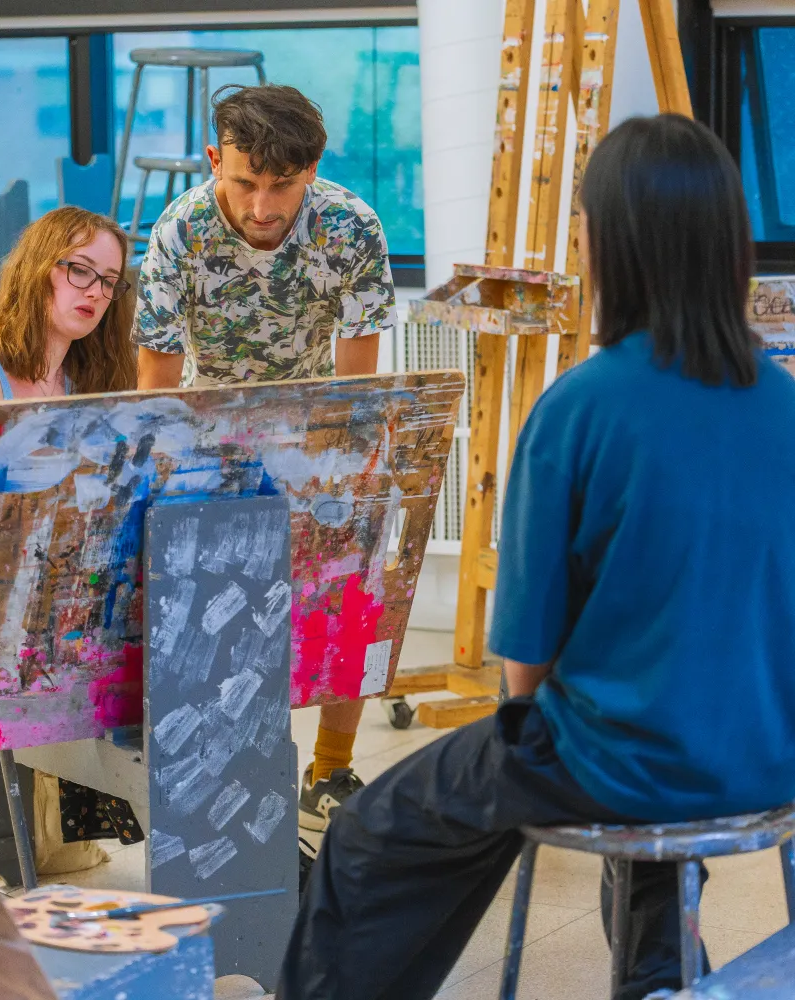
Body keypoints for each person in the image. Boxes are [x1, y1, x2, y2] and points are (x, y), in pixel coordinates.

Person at [277, 113, 795, 1000]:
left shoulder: (581, 408)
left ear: (613, 247)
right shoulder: (783, 400)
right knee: (629, 797)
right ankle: (663, 975)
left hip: (621, 761)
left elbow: (523, 665)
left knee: (369, 834)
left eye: (584, 227)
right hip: (768, 758)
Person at [133, 83, 397, 871]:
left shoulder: (351, 227)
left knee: (352, 584)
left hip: (318, 421)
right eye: (244, 181)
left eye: (281, 185)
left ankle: (331, 769)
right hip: (210, 427)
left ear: (311, 169)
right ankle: (225, 765)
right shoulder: (179, 230)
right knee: (223, 611)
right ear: (216, 159)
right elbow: (156, 382)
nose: (259, 204)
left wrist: (332, 468)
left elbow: (354, 386)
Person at [0, 205, 143, 865]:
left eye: (109, 281)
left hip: (55, 565)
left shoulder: (82, 376)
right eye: (79, 271)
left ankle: (151, 802)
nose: (96, 292)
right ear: (40, 271)